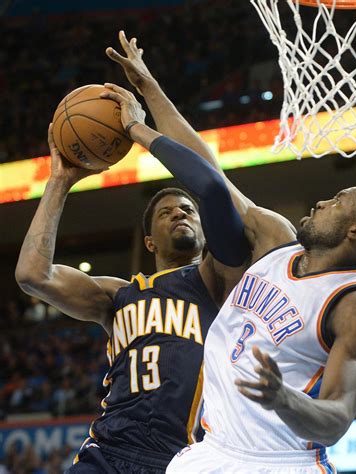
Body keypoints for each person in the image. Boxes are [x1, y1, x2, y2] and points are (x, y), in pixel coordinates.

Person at [105, 32, 356, 474]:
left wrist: (284, 398)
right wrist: (149, 89)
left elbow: (336, 420)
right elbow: (207, 170)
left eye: (338, 201)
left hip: (281, 462)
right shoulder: (275, 238)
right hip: (211, 452)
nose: (323, 202)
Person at [15, 99, 250, 472]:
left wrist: (138, 131)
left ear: (206, 234)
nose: (179, 212)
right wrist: (59, 182)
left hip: (183, 459)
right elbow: (33, 275)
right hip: (109, 451)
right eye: (166, 212)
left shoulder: (217, 280)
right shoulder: (117, 295)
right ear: (149, 243)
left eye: (188, 210)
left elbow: (213, 190)